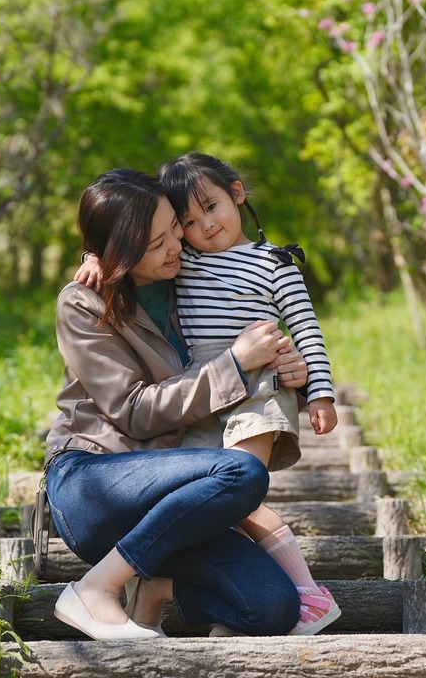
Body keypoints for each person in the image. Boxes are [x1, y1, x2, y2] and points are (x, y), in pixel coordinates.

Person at [78, 152, 342, 637]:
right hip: (209, 388)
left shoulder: (275, 262)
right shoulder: (187, 263)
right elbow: (132, 249)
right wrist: (95, 255)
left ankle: (306, 592)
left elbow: (306, 329)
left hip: (258, 386)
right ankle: (171, 594)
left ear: (237, 193)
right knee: (209, 498)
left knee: (237, 490)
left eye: (213, 208)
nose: (204, 227)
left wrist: (318, 393)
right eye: (189, 222)